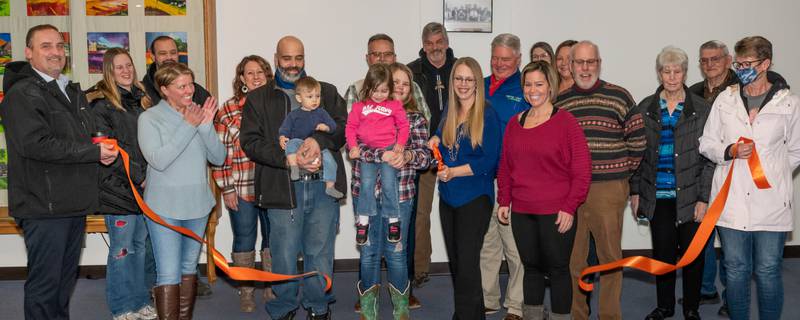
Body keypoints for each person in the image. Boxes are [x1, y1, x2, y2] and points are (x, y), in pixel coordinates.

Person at [0, 24, 119, 320]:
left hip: (71, 203)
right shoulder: (22, 93)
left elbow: (76, 138)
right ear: (28, 53)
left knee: (63, 285)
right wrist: (93, 152)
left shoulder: (67, 90)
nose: (55, 52)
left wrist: (98, 143)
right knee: (45, 286)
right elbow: (35, 144)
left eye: (59, 46)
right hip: (43, 206)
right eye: (45, 46)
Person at [240, 35, 346, 320]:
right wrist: (288, 158)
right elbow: (250, 142)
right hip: (282, 188)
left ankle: (318, 305)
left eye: (299, 58)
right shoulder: (259, 98)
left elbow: (343, 131)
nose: (293, 64)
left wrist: (318, 142)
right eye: (287, 58)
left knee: (320, 252)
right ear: (276, 59)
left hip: (324, 188)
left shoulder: (327, 91)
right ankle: (284, 306)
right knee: (284, 254)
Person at [699, 36, 800, 320]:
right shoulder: (725, 99)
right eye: (739, 63)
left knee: (768, 270)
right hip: (731, 200)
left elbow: (796, 150)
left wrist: (773, 173)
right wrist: (729, 151)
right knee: (736, 269)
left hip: (771, 202)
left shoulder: (789, 103)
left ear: (766, 63)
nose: (741, 68)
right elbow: (706, 143)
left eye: (748, 64)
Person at [554, 40, 646, 320]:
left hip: (609, 190)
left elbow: (638, 142)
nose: (584, 68)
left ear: (599, 63)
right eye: (579, 62)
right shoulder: (561, 102)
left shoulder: (619, 96)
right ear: (570, 66)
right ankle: (578, 315)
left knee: (609, 259)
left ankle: (609, 316)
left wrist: (619, 174)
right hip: (572, 193)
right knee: (575, 260)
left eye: (590, 62)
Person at [497, 60, 591, 320]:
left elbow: (582, 171)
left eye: (539, 84)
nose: (532, 90)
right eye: (528, 84)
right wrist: (504, 199)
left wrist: (569, 207)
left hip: (556, 212)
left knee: (559, 269)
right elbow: (505, 166)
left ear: (550, 87)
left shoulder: (566, 122)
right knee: (531, 269)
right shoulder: (515, 124)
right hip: (522, 212)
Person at [630, 46, 714, 320]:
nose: (672, 76)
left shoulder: (701, 108)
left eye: (677, 71)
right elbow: (636, 153)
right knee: (663, 255)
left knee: (693, 257)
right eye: (666, 71)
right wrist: (635, 191)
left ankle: (691, 308)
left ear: (685, 73)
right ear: (659, 73)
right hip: (658, 195)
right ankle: (665, 306)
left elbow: (709, 159)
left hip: (691, 196)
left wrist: (704, 198)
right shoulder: (646, 107)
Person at [138, 62, 225, 320]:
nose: (190, 90)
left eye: (190, 84)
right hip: (163, 207)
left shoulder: (198, 114)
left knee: (188, 268)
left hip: (197, 205)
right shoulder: (149, 118)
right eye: (182, 86)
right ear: (165, 90)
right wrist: (188, 125)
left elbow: (219, 158)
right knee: (168, 272)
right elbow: (159, 160)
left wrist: (206, 126)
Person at [347, 33, 427, 312]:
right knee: (368, 252)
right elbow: (353, 146)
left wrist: (404, 154)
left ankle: (400, 310)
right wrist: (382, 154)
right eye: (397, 83)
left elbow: (425, 156)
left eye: (407, 84)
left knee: (396, 253)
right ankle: (369, 310)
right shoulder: (366, 111)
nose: (402, 87)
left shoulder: (414, 118)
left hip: (401, 195)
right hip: (365, 193)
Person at [429, 57, 502, 320]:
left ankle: (462, 316)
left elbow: (489, 160)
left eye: (469, 79)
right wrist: (436, 137)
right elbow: (440, 132)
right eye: (458, 78)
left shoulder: (488, 113)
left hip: (475, 197)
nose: (463, 84)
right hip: (448, 197)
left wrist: (454, 171)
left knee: (468, 265)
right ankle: (475, 315)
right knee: (459, 264)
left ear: (477, 83)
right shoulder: (450, 107)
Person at [87, 47, 157, 320]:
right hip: (118, 188)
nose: (126, 70)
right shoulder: (100, 104)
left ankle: (140, 302)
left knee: (141, 248)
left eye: (128, 65)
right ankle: (122, 307)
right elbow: (108, 151)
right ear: (108, 71)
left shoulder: (144, 100)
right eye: (119, 67)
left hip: (146, 188)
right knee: (122, 249)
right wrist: (140, 176)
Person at [212, 54, 275, 312]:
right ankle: (246, 290)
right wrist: (225, 187)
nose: (256, 76)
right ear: (242, 78)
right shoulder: (228, 110)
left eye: (260, 71)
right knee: (244, 238)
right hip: (241, 186)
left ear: (268, 76)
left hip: (273, 185)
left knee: (274, 239)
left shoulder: (278, 104)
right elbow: (219, 153)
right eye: (250, 73)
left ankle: (272, 285)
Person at [688, 40, 738, 317]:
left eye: (715, 59)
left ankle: (733, 296)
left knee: (730, 243)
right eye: (704, 60)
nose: (709, 65)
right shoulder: (693, 92)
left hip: (731, 174)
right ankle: (706, 289)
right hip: (699, 175)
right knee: (702, 238)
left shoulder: (740, 90)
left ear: (728, 60)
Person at [408, 21, 458, 291]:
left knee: (459, 211)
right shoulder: (412, 71)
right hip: (424, 151)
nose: (435, 48)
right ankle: (420, 268)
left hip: (456, 150)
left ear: (447, 42)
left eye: (439, 42)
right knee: (420, 213)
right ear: (423, 45)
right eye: (429, 43)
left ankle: (462, 265)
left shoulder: (460, 68)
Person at [481, 33, 527, 320]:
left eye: (506, 59)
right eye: (495, 57)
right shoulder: (480, 85)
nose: (499, 63)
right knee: (487, 243)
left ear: (518, 59)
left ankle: (516, 306)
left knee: (514, 246)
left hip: (513, 179)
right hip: (484, 178)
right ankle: (488, 298)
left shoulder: (527, 88)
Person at [347, 63, 409, 246]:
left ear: (390, 90)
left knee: (390, 185)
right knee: (367, 184)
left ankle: (393, 220)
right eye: (376, 90)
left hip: (389, 149)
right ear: (368, 87)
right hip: (367, 151)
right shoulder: (359, 107)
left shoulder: (395, 106)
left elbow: (403, 126)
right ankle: (363, 221)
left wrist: (400, 144)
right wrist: (353, 146)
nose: (380, 95)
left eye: (384, 90)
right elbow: (350, 128)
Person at [280, 76, 343, 199]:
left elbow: (334, 126)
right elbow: (285, 128)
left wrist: (326, 128)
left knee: (332, 162)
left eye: (317, 96)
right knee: (290, 145)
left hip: (318, 147)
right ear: (299, 98)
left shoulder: (322, 112)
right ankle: (294, 168)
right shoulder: (293, 114)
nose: (315, 100)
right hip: (298, 142)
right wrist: (282, 137)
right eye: (310, 97)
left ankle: (330, 186)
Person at [345, 33, 430, 120]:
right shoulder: (356, 88)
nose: (382, 59)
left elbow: (425, 122)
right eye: (376, 54)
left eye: (388, 54)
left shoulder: (411, 86)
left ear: (394, 58)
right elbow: (350, 126)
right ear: (367, 58)